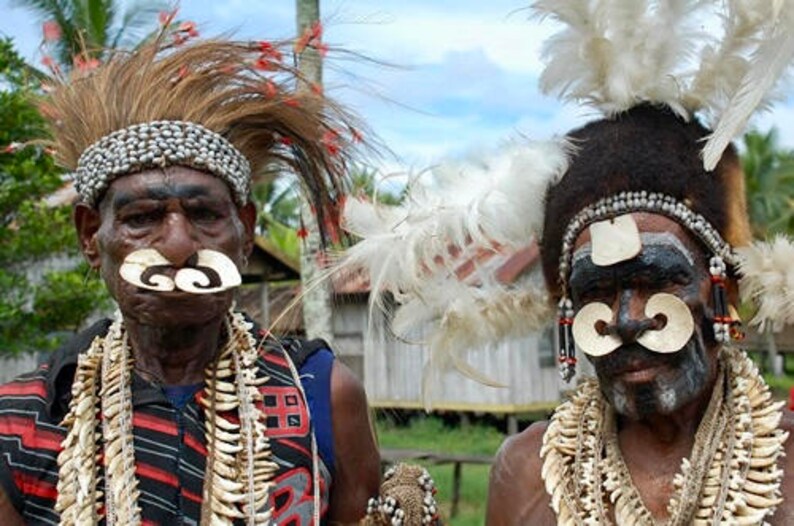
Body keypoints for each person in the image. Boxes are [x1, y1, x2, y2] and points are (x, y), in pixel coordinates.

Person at [0, 32, 381, 525]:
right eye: (142, 218)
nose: (179, 246)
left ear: (245, 232)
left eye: (204, 214)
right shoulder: (21, 422)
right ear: (91, 236)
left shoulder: (321, 395)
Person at [485, 1, 794, 524]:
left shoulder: (788, 468)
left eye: (659, 279)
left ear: (719, 288)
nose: (627, 319)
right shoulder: (526, 475)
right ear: (567, 311)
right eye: (596, 291)